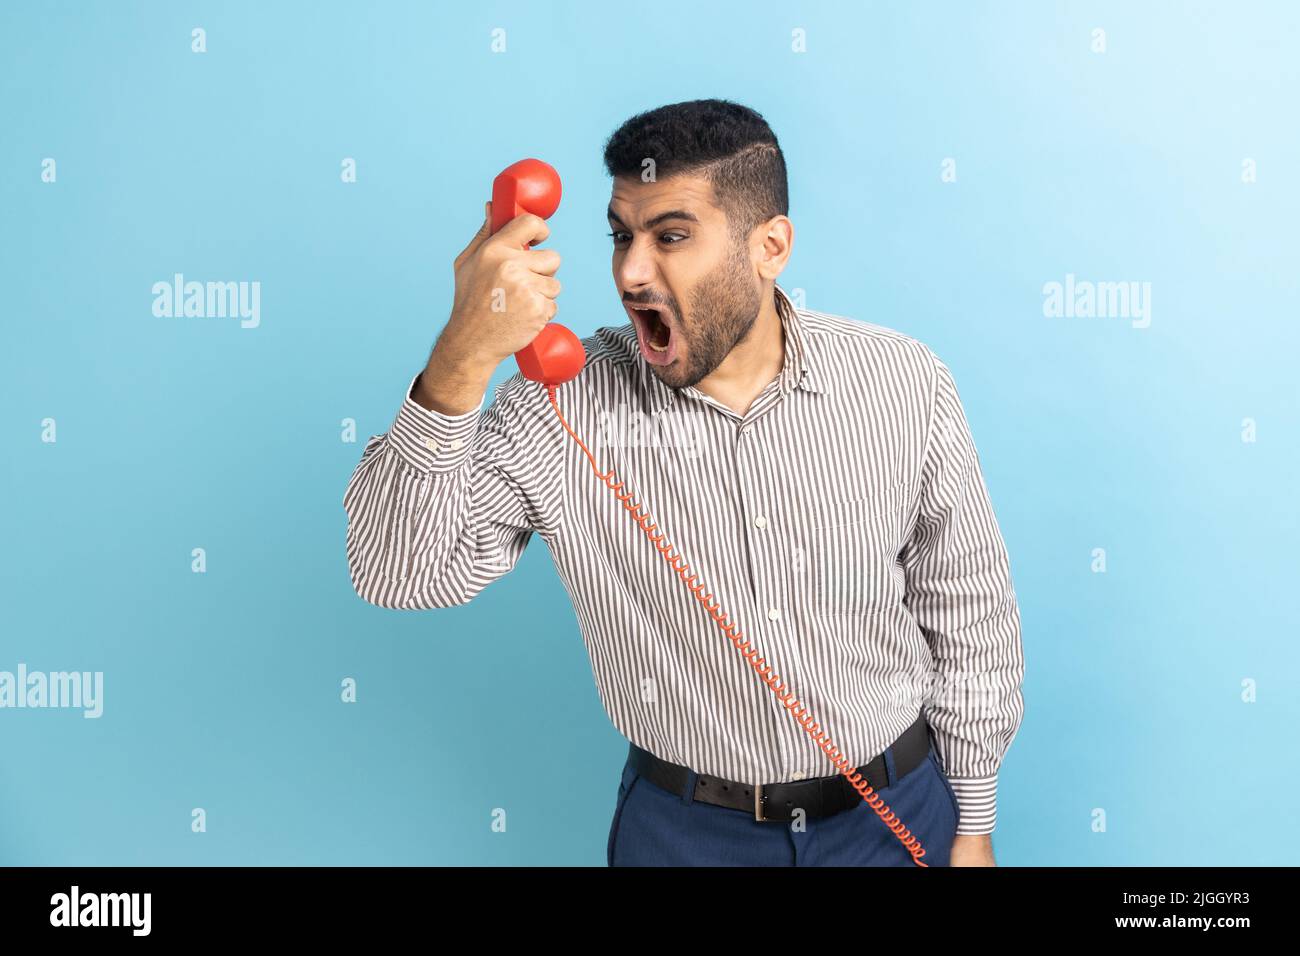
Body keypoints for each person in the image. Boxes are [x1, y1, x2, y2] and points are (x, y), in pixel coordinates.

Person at [342, 98, 1025, 867]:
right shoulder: (556, 408)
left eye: (670, 236)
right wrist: (462, 355)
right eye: (621, 236)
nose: (631, 272)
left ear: (770, 247)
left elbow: (968, 609)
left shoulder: (904, 381)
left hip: (895, 815)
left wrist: (972, 821)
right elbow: (397, 574)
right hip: (687, 836)